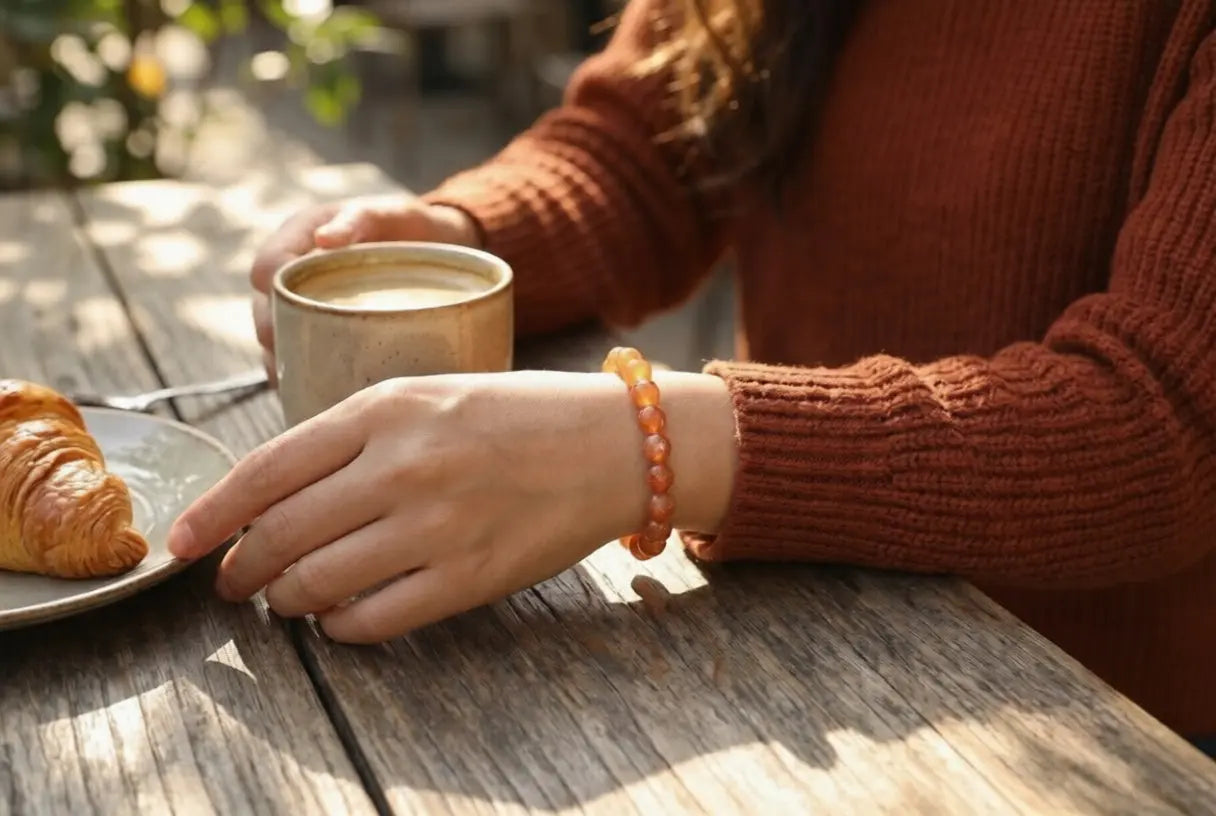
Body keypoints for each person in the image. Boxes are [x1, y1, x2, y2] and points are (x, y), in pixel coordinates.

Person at [168, 0, 1216, 746]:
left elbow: (1166, 414)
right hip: (787, 641)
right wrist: (456, 238)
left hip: (1101, 725)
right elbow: (650, 149)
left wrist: (647, 442)